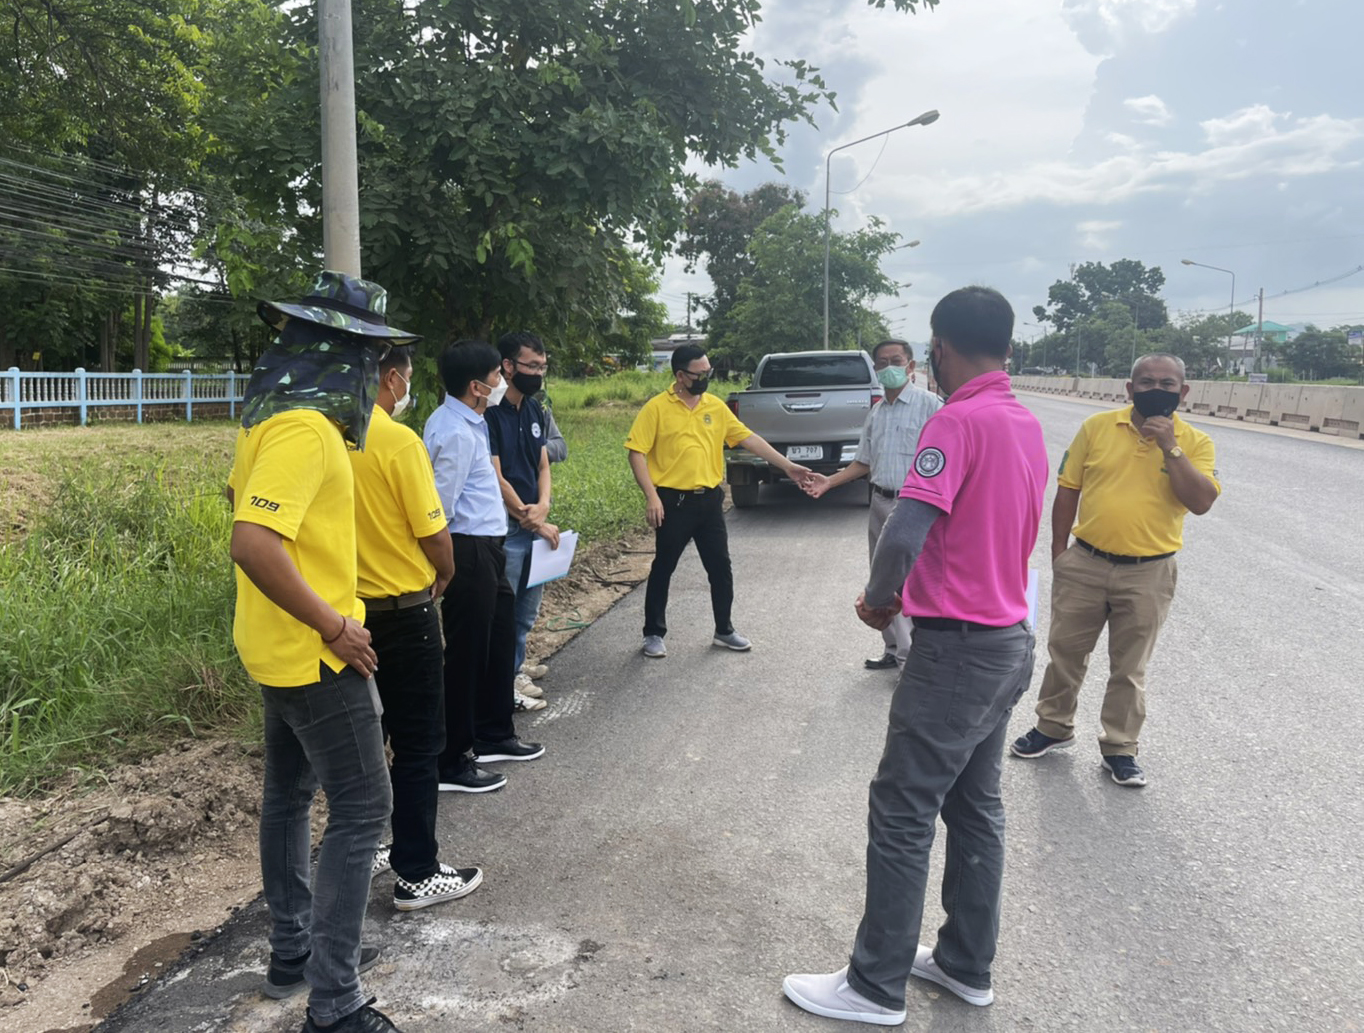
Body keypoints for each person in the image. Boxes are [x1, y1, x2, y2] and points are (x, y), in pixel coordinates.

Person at [783, 286, 1048, 1025]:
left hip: (957, 649)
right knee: (974, 805)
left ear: (942, 348)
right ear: (1007, 345)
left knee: (902, 808)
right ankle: (965, 962)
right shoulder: (1023, 422)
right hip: (1008, 638)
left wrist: (880, 600)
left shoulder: (956, 421)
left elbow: (904, 528)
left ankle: (874, 985)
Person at [227, 270, 409, 1032]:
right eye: (370, 355)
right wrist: (335, 624)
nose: (376, 371)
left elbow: (244, 507)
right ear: (341, 355)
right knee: (364, 807)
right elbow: (252, 540)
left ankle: (295, 951)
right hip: (317, 655)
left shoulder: (267, 422)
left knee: (290, 794)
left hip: (275, 648)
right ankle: (335, 1002)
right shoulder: (304, 430)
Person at [1010, 352, 1220, 788]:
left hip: (1149, 572)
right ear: (1129, 388)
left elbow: (1201, 502)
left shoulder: (1195, 442)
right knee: (1065, 654)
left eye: (1167, 384)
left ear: (1183, 392)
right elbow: (1068, 489)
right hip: (1086, 563)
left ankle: (1120, 747)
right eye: (1146, 382)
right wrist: (1060, 553)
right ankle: (1053, 726)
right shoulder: (1097, 428)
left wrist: (1170, 446)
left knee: (1130, 667)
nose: (1156, 390)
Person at [350, 345, 483, 911]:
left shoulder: (324, 435)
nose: (407, 389)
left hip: (344, 616)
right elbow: (434, 533)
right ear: (391, 378)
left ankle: (368, 846)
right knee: (418, 742)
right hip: (404, 612)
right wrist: (445, 574)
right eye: (405, 379)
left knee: (366, 741)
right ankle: (417, 871)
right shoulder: (396, 442)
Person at [624, 343, 813, 658]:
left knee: (720, 567)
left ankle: (724, 630)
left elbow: (749, 438)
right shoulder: (656, 408)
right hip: (673, 502)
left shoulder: (715, 406)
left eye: (708, 372)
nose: (706, 378)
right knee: (664, 567)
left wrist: (787, 466)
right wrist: (651, 496)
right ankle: (653, 633)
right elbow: (636, 453)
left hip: (710, 501)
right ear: (680, 376)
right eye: (700, 374)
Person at [424, 341, 545, 795]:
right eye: (497, 375)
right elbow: (440, 508)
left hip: (489, 548)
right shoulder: (453, 431)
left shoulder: (472, 422)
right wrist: (444, 566)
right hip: (466, 550)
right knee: (467, 654)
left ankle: (494, 732)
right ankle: (451, 759)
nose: (502, 380)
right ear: (477, 386)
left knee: (497, 641)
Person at [803, 339, 942, 670]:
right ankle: (892, 648)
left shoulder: (931, 407)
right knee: (883, 577)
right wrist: (829, 482)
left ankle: (910, 659)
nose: (889, 368)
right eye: (882, 363)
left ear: (911, 366)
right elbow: (863, 462)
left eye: (896, 361)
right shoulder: (876, 413)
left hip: (913, 508)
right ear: (875, 369)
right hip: (879, 501)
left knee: (910, 580)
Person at [485, 331, 560, 707]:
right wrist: (530, 517)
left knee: (527, 610)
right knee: (504, 609)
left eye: (543, 367)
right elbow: (495, 476)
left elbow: (543, 465)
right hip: (509, 528)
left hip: (534, 524)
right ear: (508, 366)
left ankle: (514, 667)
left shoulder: (534, 410)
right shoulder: (489, 413)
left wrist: (543, 505)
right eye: (532, 366)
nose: (538, 374)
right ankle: (503, 682)